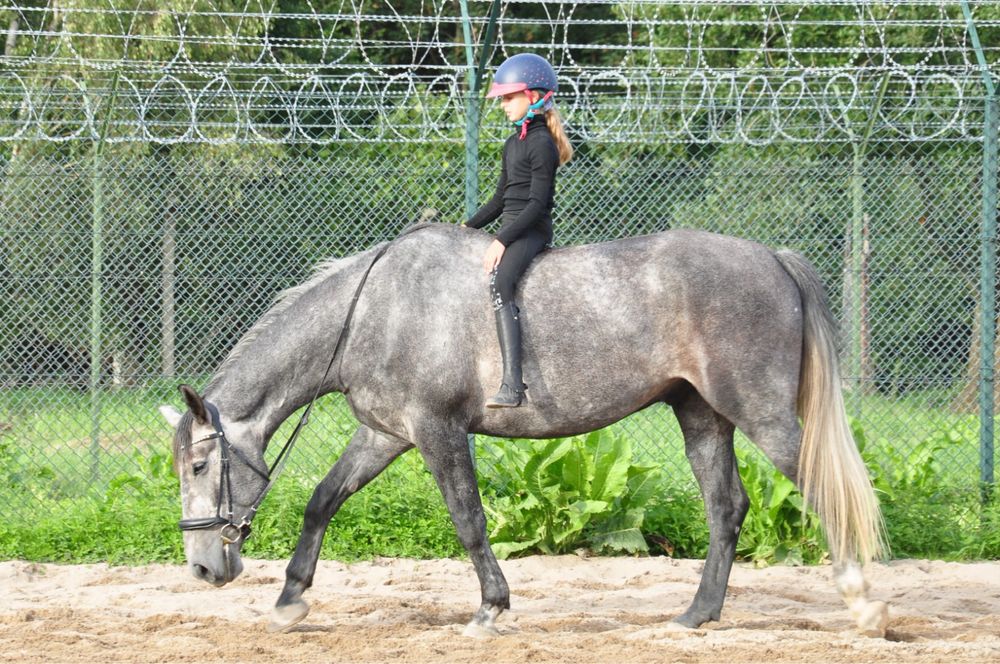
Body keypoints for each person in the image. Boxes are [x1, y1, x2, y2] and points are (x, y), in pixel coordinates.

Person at [463, 53, 574, 408]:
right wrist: (466, 227)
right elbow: (500, 199)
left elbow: (537, 205)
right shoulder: (513, 144)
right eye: (503, 98)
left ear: (535, 96)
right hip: (512, 227)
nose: (504, 105)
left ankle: (513, 385)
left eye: (510, 97)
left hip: (531, 231)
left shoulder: (542, 144)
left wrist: (501, 239)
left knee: (501, 281)